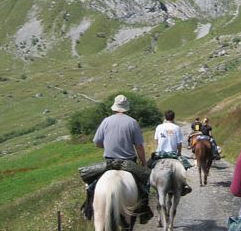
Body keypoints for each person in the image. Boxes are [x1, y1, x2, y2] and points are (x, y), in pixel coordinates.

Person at [81, 94, 154, 223]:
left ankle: (88, 209)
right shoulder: (132, 122)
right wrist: (143, 162)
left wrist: (109, 144)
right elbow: (139, 146)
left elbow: (97, 143)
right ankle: (144, 211)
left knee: (91, 185)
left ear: (114, 107)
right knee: (145, 183)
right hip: (129, 162)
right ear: (126, 108)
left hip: (109, 162)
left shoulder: (106, 121)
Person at [148, 110, 193, 192]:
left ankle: (148, 183)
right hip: (173, 154)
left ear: (165, 117)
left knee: (149, 165)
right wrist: (179, 153)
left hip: (160, 154)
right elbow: (179, 144)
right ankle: (183, 184)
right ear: (173, 117)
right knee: (185, 166)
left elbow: (157, 141)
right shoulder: (177, 128)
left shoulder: (159, 127)